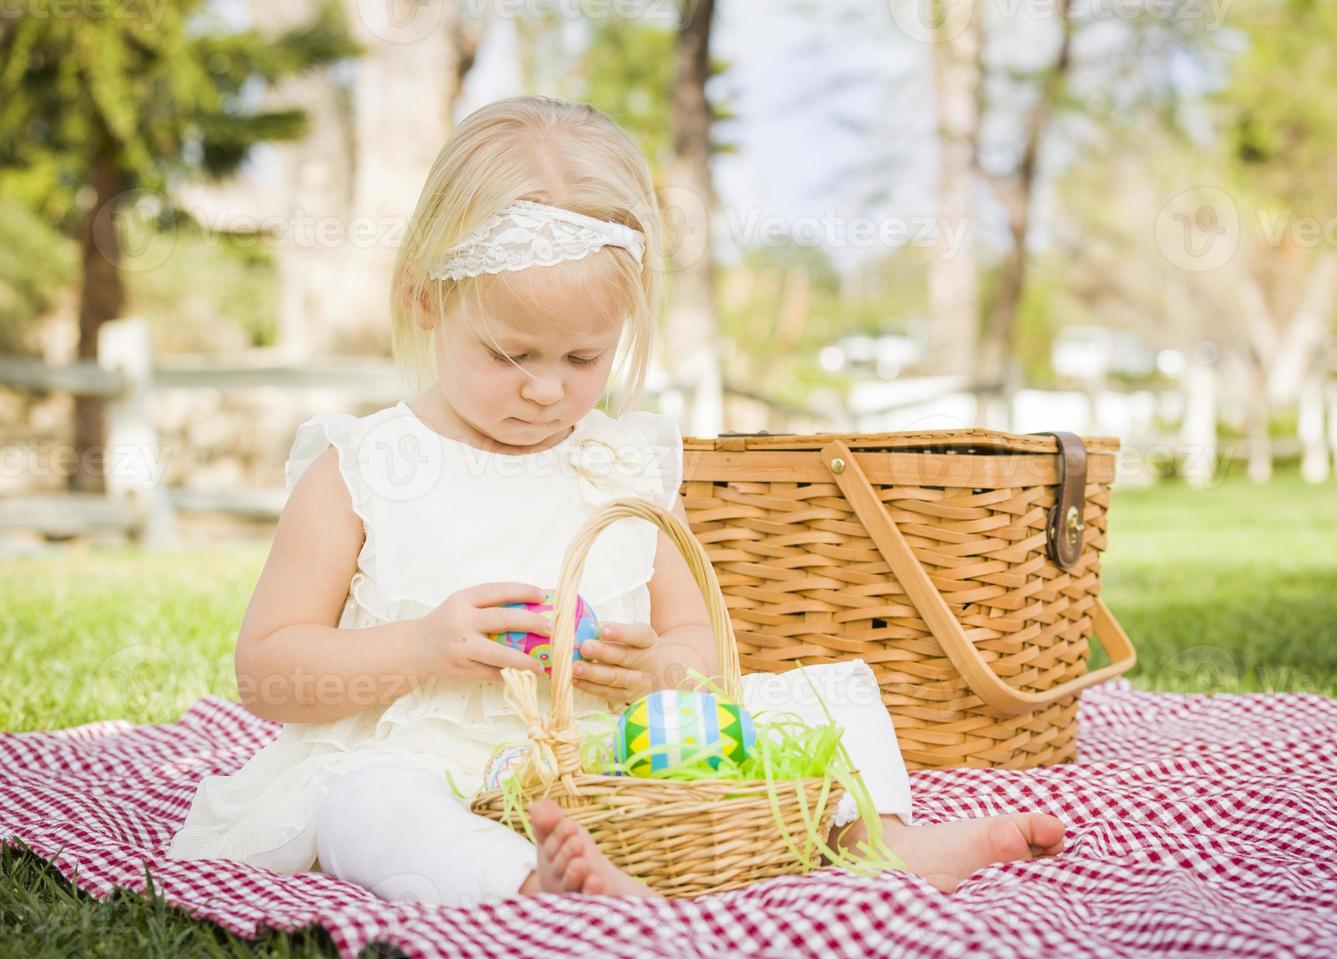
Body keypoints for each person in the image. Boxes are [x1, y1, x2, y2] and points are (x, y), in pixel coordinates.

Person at [165, 96, 1064, 904]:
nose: (547, 391)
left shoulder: (621, 467)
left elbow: (701, 644)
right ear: (426, 303)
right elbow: (269, 672)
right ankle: (526, 880)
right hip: (428, 763)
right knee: (362, 807)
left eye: (583, 360)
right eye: (512, 355)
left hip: (618, 764)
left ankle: (879, 838)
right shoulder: (366, 466)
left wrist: (662, 672)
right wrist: (421, 646)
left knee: (813, 698)